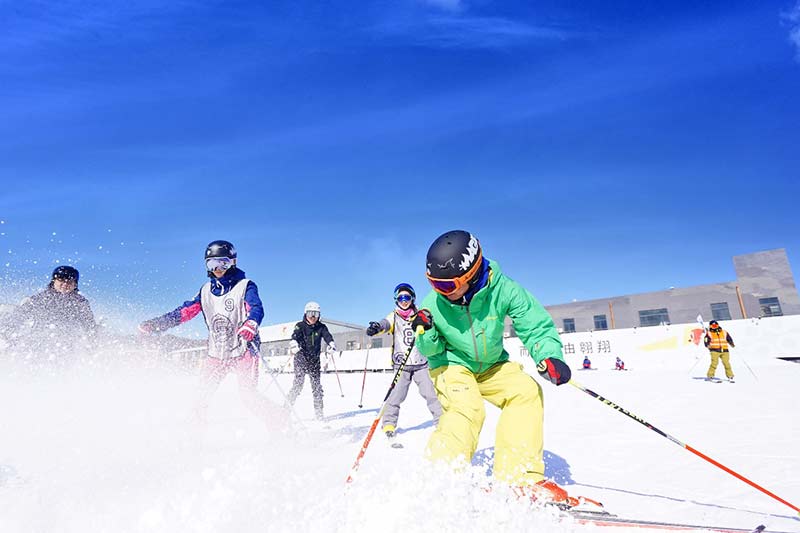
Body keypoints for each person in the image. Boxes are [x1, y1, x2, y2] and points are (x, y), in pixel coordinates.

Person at [412, 230, 579, 507]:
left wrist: (549, 355)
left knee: (526, 392)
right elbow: (430, 351)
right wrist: (426, 331)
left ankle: (518, 477)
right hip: (452, 363)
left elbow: (534, 323)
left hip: (492, 365)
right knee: (467, 408)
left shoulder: (504, 289)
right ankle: (439, 477)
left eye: (446, 286)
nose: (440, 292)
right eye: (433, 284)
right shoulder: (434, 304)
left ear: (471, 273)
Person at [138, 240, 284, 428]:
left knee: (247, 396)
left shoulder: (246, 285)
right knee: (200, 396)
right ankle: (194, 436)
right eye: (212, 264)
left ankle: (280, 421)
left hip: (243, 351)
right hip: (216, 353)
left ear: (233, 262)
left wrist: (251, 323)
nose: (218, 269)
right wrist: (156, 324)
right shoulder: (205, 291)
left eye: (223, 263)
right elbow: (182, 313)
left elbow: (255, 308)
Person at [366, 283, 442, 442]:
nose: (404, 300)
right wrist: (376, 327)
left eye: (407, 297)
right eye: (400, 298)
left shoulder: (420, 313)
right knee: (396, 395)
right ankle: (388, 424)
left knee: (431, 393)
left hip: (421, 362)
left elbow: (429, 322)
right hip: (402, 364)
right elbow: (384, 325)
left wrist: (425, 321)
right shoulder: (393, 316)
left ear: (412, 298)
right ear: (396, 300)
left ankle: (441, 421)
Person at [0, 265, 97, 361]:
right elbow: (19, 316)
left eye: (70, 281)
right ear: (54, 281)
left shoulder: (80, 302)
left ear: (75, 284)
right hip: (39, 345)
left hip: (67, 347)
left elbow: (89, 325)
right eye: (61, 280)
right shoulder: (42, 298)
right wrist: (7, 331)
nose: (65, 284)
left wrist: (95, 343)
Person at [285, 301, 337, 420]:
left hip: (314, 361)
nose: (313, 316)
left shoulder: (322, 327)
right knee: (298, 385)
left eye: (316, 313)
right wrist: (294, 343)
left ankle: (319, 413)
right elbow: (295, 335)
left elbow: (327, 335)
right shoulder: (300, 325)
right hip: (301, 359)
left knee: (317, 387)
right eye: (310, 313)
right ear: (305, 313)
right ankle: (285, 409)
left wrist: (331, 343)